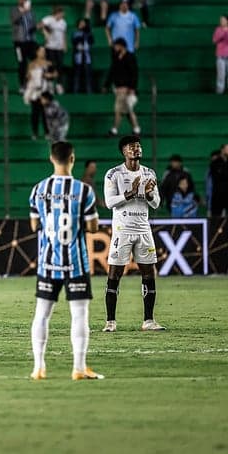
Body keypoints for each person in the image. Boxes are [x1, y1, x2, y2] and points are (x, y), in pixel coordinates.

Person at [29, 141, 103, 381]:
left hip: (47, 262)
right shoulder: (84, 191)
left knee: (42, 314)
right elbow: (93, 227)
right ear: (72, 158)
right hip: (76, 262)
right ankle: (78, 368)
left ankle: (38, 367)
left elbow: (34, 225)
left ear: (51, 158)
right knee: (79, 314)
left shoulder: (39, 189)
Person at [103, 135, 165, 333]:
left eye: (138, 146)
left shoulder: (149, 173)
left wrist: (147, 194)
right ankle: (110, 322)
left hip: (143, 230)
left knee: (149, 274)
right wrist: (130, 192)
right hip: (123, 230)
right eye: (132, 147)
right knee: (115, 274)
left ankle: (149, 320)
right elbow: (109, 203)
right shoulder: (114, 174)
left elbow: (156, 203)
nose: (137, 149)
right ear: (124, 151)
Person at [104, 38, 140, 137]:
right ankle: (136, 128)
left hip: (127, 89)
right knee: (127, 111)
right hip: (118, 88)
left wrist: (132, 88)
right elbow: (112, 72)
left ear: (121, 46)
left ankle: (114, 129)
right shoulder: (116, 58)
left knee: (119, 110)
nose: (115, 48)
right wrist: (106, 85)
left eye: (116, 46)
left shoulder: (130, 57)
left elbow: (134, 73)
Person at [23, 46, 56, 141]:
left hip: (45, 91)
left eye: (44, 51)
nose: (43, 53)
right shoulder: (32, 64)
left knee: (46, 113)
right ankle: (35, 133)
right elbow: (28, 77)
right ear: (37, 52)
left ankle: (47, 132)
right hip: (35, 91)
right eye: (41, 51)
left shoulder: (48, 63)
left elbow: (55, 74)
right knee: (35, 113)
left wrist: (48, 75)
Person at [11, 0, 37, 92]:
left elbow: (33, 25)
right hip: (19, 42)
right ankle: (22, 85)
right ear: (18, 0)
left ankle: (34, 83)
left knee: (35, 61)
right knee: (22, 63)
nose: (23, 1)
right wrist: (23, 11)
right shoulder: (14, 10)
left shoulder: (31, 12)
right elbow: (15, 21)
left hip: (30, 41)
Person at [41, 6, 67, 94]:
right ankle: (50, 84)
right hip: (50, 47)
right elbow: (41, 25)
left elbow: (64, 34)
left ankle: (59, 84)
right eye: (62, 13)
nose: (63, 15)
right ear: (58, 13)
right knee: (51, 65)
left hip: (59, 48)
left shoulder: (63, 23)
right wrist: (45, 33)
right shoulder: (49, 19)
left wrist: (64, 45)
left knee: (60, 66)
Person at [71, 18, 94, 94]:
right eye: (81, 23)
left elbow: (92, 42)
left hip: (87, 56)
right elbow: (74, 42)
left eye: (83, 23)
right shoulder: (75, 33)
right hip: (78, 56)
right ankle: (75, 92)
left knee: (88, 75)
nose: (82, 25)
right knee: (77, 75)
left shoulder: (89, 33)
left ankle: (89, 91)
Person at [210, 143, 228, 217]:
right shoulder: (215, 163)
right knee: (216, 217)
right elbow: (217, 176)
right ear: (222, 150)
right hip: (218, 194)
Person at [214, 15, 228, 95]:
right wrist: (223, 32)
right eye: (221, 20)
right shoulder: (218, 29)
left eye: (223, 20)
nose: (221, 21)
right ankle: (220, 91)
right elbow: (215, 40)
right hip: (220, 56)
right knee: (221, 75)